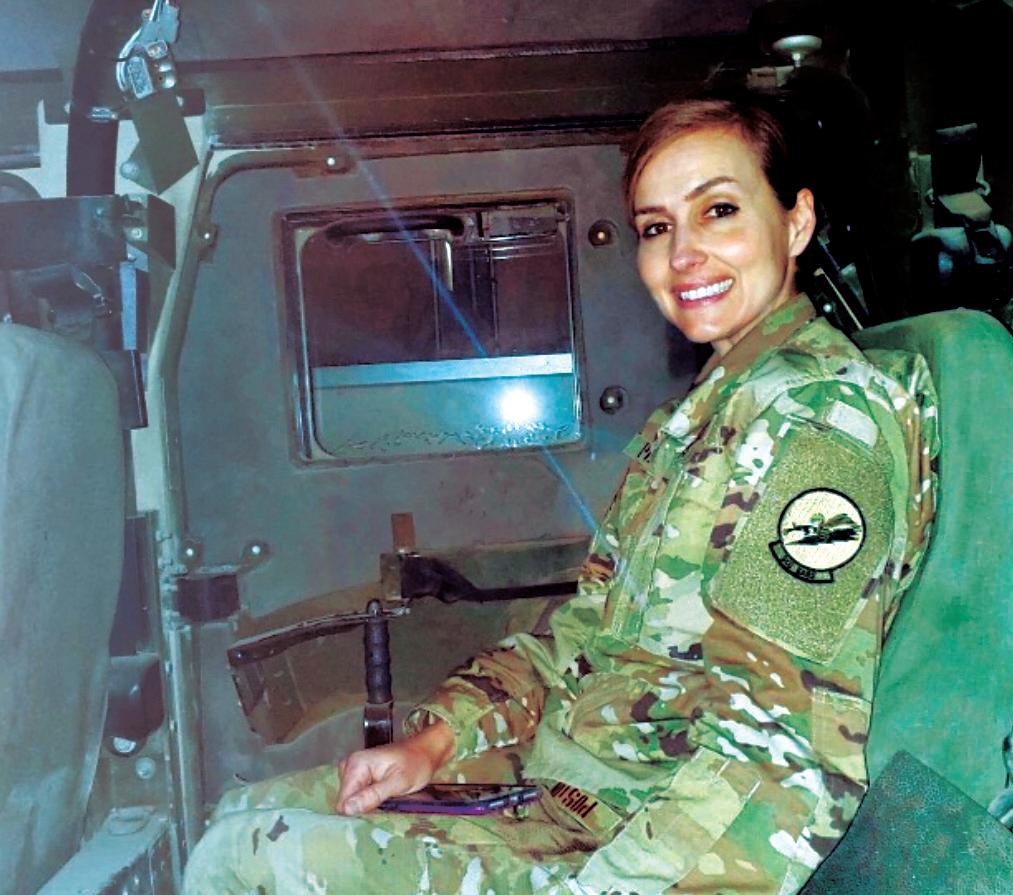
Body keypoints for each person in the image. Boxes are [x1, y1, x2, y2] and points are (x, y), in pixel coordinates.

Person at [183, 94, 938, 895]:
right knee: (244, 814)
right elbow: (580, 639)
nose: (684, 253)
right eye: (656, 227)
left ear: (795, 222)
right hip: (570, 797)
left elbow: (778, 758)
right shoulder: (702, 418)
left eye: (718, 210)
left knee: (245, 858)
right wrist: (436, 742)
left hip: (642, 847)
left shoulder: (818, 422)